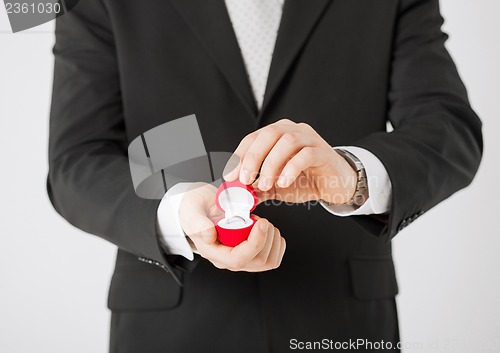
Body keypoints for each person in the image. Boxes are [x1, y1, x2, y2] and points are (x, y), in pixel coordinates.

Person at [47, 0, 483, 352]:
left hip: (341, 324)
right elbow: (76, 160)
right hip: (172, 328)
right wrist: (176, 213)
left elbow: (447, 127)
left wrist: (351, 176)